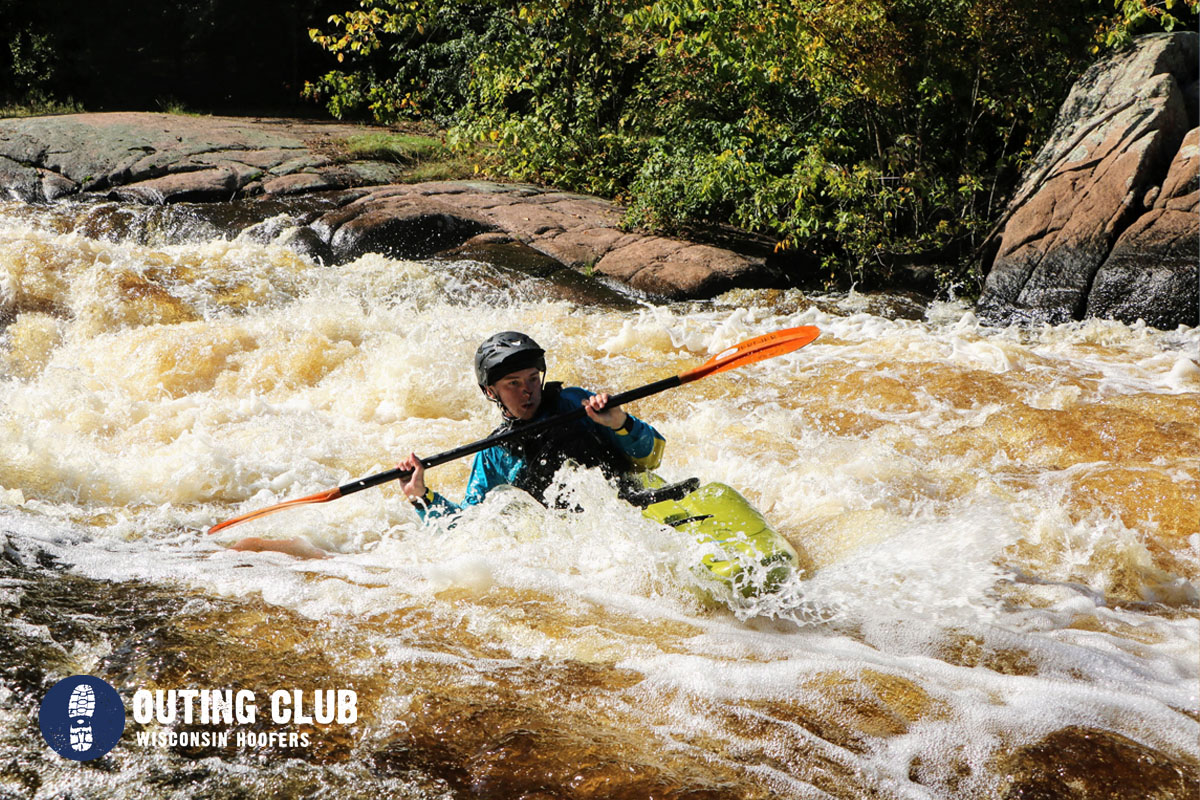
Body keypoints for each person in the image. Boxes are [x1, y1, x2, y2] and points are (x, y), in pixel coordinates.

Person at [397, 331, 666, 519]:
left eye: (532, 378)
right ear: (491, 392)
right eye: (513, 383)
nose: (528, 390)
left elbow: (652, 456)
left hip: (637, 503)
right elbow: (467, 526)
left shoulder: (576, 404)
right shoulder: (494, 453)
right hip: (581, 537)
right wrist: (420, 496)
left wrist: (621, 423)